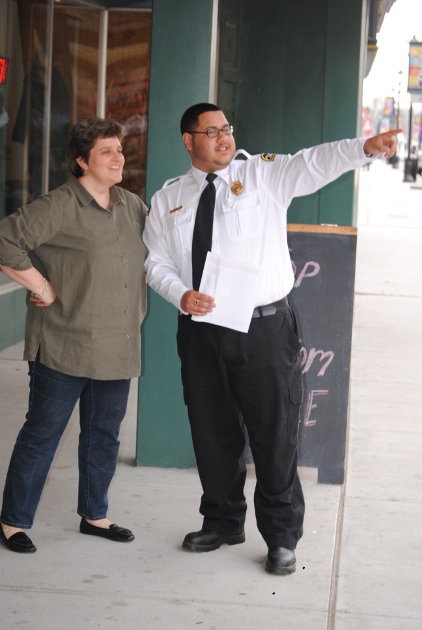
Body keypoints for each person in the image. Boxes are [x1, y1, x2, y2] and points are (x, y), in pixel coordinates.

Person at [143, 102, 400, 575]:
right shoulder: (168, 198)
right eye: (212, 131)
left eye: (227, 129)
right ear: (188, 141)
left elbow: (313, 162)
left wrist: (362, 148)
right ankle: (222, 521)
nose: (224, 138)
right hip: (201, 332)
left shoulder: (263, 175)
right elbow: (154, 261)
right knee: (211, 431)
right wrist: (180, 295)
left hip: (263, 329)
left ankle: (281, 537)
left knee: (274, 434)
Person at [0, 116, 147, 553]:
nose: (118, 157)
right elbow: (6, 239)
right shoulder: (60, 205)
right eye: (107, 151)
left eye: (120, 149)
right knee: (43, 433)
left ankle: (95, 515)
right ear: (82, 161)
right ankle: (12, 521)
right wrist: (40, 286)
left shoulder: (131, 205)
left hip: (117, 345)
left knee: (104, 435)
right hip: (64, 343)